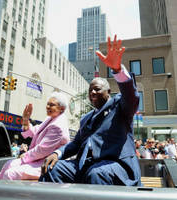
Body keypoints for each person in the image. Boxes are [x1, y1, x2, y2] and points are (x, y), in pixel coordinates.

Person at [39, 35, 141, 186]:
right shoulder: (86, 118)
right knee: (52, 168)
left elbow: (131, 96)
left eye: (97, 89)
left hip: (116, 165)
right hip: (85, 166)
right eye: (90, 90)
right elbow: (75, 144)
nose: (92, 92)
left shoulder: (119, 105)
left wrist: (117, 69)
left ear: (108, 91)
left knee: (97, 174)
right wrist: (57, 153)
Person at [0, 92, 70, 180]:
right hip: (37, 159)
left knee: (11, 174)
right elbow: (35, 131)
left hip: (46, 164)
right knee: (9, 164)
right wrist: (25, 120)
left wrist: (24, 157)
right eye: (47, 104)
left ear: (61, 108)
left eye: (51, 105)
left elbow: (42, 149)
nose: (47, 107)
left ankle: (2, 192)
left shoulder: (58, 126)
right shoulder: (51, 118)